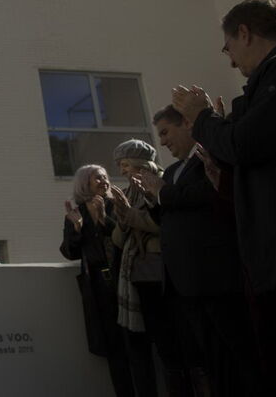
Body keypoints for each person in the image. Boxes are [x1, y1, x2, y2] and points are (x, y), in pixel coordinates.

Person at [172, 0, 276, 391]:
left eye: (227, 47)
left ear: (244, 33)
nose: (230, 61)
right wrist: (223, 175)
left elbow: (245, 144)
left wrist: (202, 118)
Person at [137, 105, 265, 396]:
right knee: (213, 362)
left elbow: (207, 195)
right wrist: (153, 199)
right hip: (185, 285)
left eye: (166, 132)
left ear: (186, 123)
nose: (163, 142)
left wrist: (162, 192)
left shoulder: (212, 157)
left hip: (218, 278)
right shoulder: (171, 171)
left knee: (243, 357)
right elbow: (168, 217)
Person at [110, 139, 186, 397]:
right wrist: (122, 218)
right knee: (151, 344)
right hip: (137, 276)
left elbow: (164, 224)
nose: (122, 170)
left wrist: (130, 216)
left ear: (139, 162)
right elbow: (118, 240)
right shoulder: (127, 192)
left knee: (170, 345)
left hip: (160, 273)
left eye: (125, 164)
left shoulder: (161, 183)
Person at [61, 164, 135, 397]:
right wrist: (77, 228)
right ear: (85, 183)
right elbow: (70, 252)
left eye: (105, 177)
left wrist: (103, 219)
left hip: (124, 280)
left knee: (135, 344)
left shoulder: (116, 205)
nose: (104, 182)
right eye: (98, 178)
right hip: (98, 287)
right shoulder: (77, 212)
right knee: (113, 348)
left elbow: (126, 237)